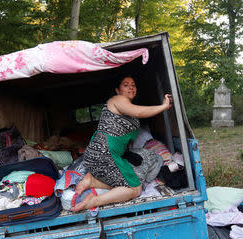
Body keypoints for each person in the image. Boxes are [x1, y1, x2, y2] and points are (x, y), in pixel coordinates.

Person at [71, 76, 172, 211]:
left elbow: (127, 137)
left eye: (133, 85)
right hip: (106, 152)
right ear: (118, 90)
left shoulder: (129, 109)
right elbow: (139, 111)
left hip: (100, 153)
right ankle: (93, 201)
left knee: (125, 181)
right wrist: (164, 106)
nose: (131, 87)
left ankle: (92, 181)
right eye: (126, 85)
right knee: (135, 188)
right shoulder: (118, 100)